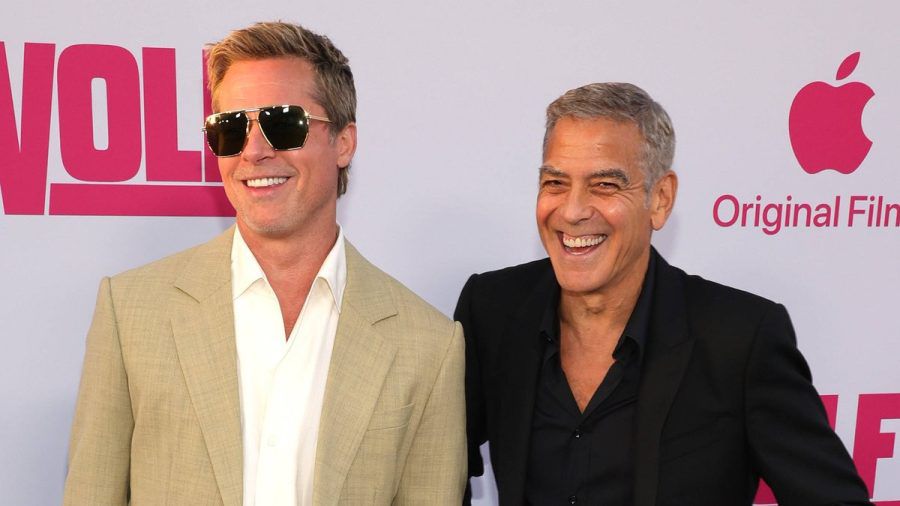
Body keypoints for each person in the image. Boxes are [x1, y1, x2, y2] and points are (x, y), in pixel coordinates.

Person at [64, 21, 465, 505]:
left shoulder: (428, 344)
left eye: (282, 123)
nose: (253, 151)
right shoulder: (131, 312)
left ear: (343, 142)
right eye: (229, 128)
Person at [455, 82, 871, 505]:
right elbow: (435, 470)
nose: (573, 210)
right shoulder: (493, 310)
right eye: (556, 182)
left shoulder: (740, 339)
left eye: (605, 185)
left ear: (660, 198)